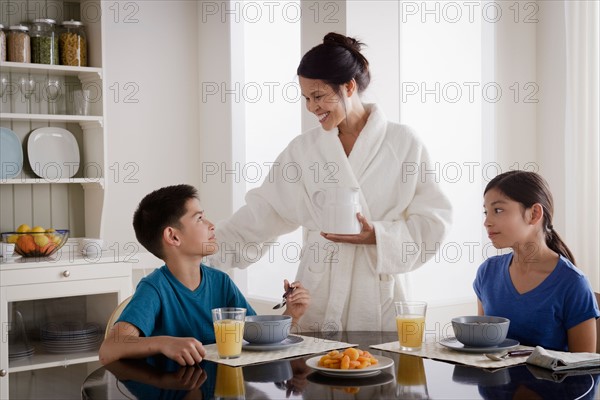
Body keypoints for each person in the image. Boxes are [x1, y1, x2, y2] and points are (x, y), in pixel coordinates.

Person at [208, 32, 452, 332]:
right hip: (318, 295)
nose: (312, 107)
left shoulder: (402, 144)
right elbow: (263, 212)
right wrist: (203, 249)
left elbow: (434, 221)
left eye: (319, 96)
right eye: (306, 98)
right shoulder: (304, 150)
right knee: (313, 372)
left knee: (377, 372)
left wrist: (378, 235)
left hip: (376, 295)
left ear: (348, 87)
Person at [99, 184, 310, 366]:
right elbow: (109, 349)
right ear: (173, 236)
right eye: (199, 218)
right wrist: (165, 343)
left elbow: (256, 335)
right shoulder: (155, 288)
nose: (211, 225)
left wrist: (291, 314)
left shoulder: (221, 282)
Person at [475, 171, 599, 352]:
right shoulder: (487, 273)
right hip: (493, 381)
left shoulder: (573, 283)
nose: (487, 222)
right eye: (486, 212)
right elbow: (481, 350)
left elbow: (584, 371)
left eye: (498, 210)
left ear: (534, 214)